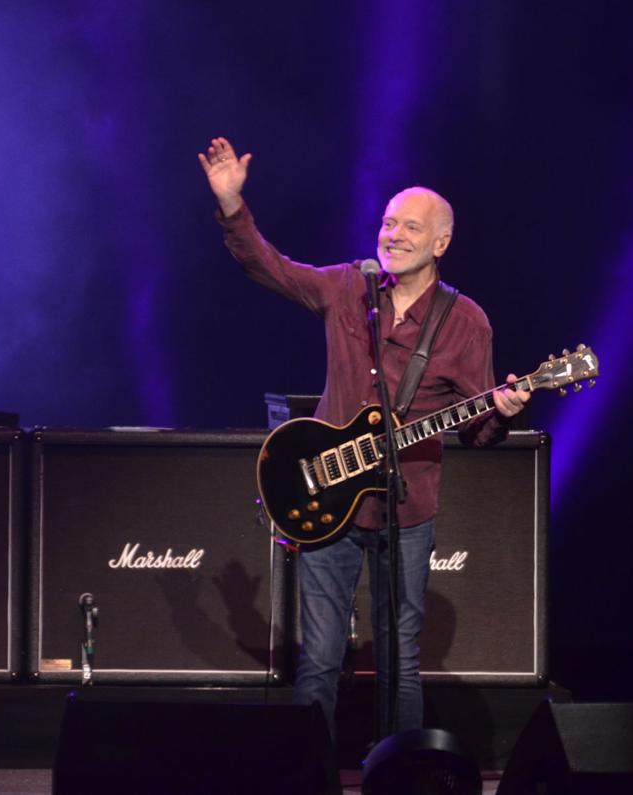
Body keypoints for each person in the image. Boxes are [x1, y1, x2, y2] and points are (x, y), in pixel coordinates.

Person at [198, 136, 530, 741]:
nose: (393, 235)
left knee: (400, 660)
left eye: (410, 227)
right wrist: (231, 205)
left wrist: (502, 412)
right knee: (319, 660)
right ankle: (311, 776)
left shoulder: (465, 323)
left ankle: (403, 775)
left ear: (440, 243)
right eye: (387, 223)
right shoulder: (348, 287)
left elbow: (478, 431)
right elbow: (269, 267)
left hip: (407, 510)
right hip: (328, 503)